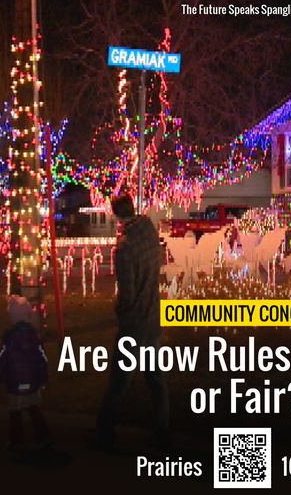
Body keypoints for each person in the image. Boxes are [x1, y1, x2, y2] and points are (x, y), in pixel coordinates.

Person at [87, 193, 171, 452]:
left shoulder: (123, 248)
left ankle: (104, 432)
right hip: (153, 316)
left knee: (119, 382)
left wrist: (119, 308)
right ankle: (163, 430)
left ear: (116, 215)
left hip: (134, 324)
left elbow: (128, 293)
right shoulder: (149, 232)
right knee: (156, 379)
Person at [0, 294, 52, 451]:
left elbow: (1, 359)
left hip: (14, 382)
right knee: (34, 408)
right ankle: (44, 437)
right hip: (32, 381)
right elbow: (42, 360)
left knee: (15, 412)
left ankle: (17, 440)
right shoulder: (35, 337)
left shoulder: (8, 338)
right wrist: (44, 378)